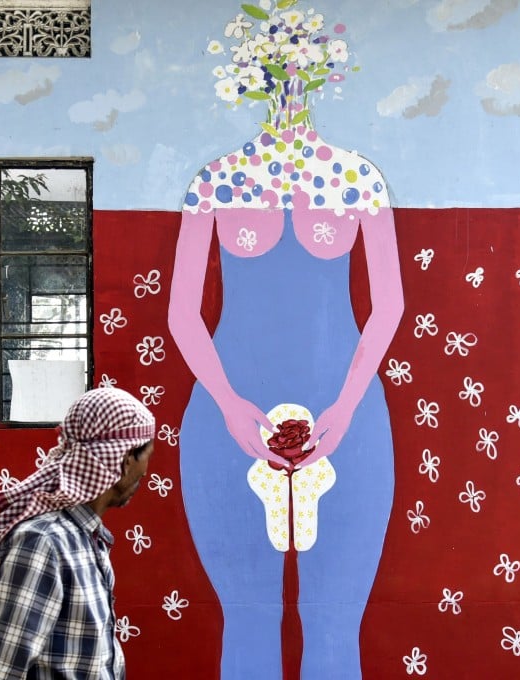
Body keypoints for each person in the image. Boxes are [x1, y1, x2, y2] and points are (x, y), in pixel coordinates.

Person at [167, 5, 404, 677]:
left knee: (335, 619)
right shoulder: (213, 182)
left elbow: (389, 306)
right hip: (226, 420)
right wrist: (227, 402)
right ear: (252, 77)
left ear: (324, 73)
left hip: (348, 419)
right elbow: (182, 313)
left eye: (303, 70)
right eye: (278, 72)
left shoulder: (359, 179)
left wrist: (347, 406)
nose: (291, 89)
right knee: (246, 614)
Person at [0, 387, 156, 680]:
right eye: (147, 456)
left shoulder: (87, 539)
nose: (145, 471)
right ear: (126, 459)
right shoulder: (43, 543)